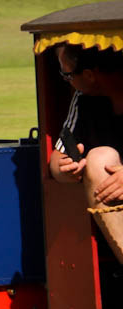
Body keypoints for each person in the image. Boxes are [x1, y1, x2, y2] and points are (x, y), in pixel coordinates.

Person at [50, 43, 123, 263]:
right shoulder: (83, 100)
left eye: (67, 74)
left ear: (90, 75)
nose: (66, 81)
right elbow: (57, 158)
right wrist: (66, 170)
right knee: (99, 158)